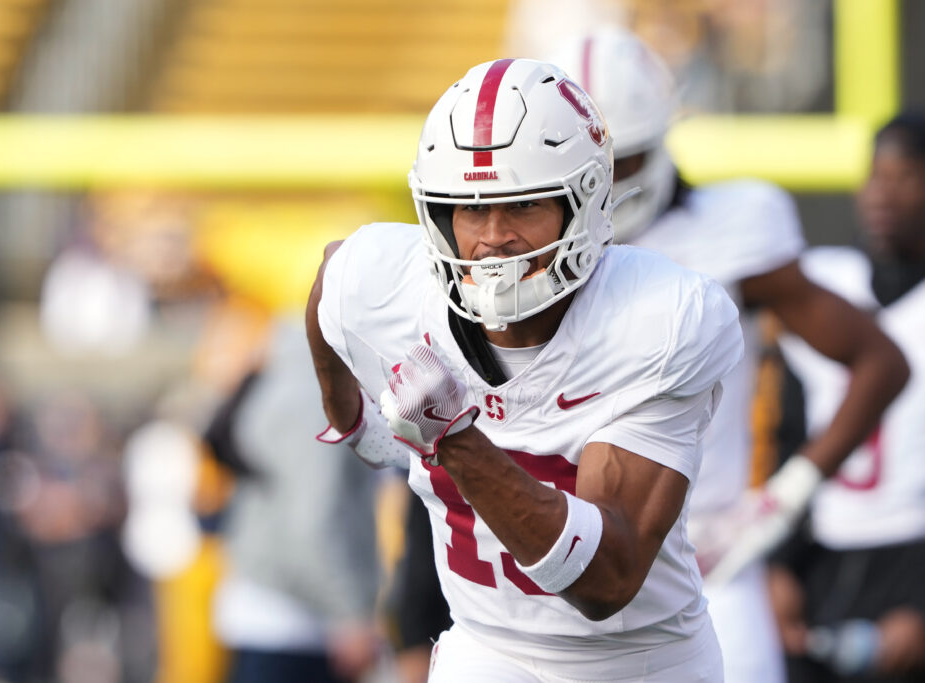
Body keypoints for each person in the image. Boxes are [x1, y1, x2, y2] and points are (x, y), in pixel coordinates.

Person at [308, 57, 745, 682]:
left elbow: (606, 581)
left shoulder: (661, 318)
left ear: (587, 201)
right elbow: (331, 278)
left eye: (523, 205)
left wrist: (453, 438)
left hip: (639, 661)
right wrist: (351, 420)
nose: (492, 237)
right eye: (468, 209)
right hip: (484, 649)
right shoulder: (381, 283)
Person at [548, 28, 909, 683]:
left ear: (660, 138)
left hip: (704, 561)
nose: (603, 184)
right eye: (583, 165)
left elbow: (880, 360)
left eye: (619, 159)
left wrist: (783, 498)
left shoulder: (731, 231)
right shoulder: (509, 251)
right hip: (554, 567)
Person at [768, 111, 925, 682]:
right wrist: (779, 565)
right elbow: (791, 438)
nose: (883, 193)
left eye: (906, 177)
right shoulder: (826, 283)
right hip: (822, 559)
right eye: (875, 175)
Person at [204, 317, 383, 683]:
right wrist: (349, 613)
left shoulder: (284, 381)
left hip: (274, 609)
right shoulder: (315, 398)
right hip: (296, 621)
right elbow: (314, 520)